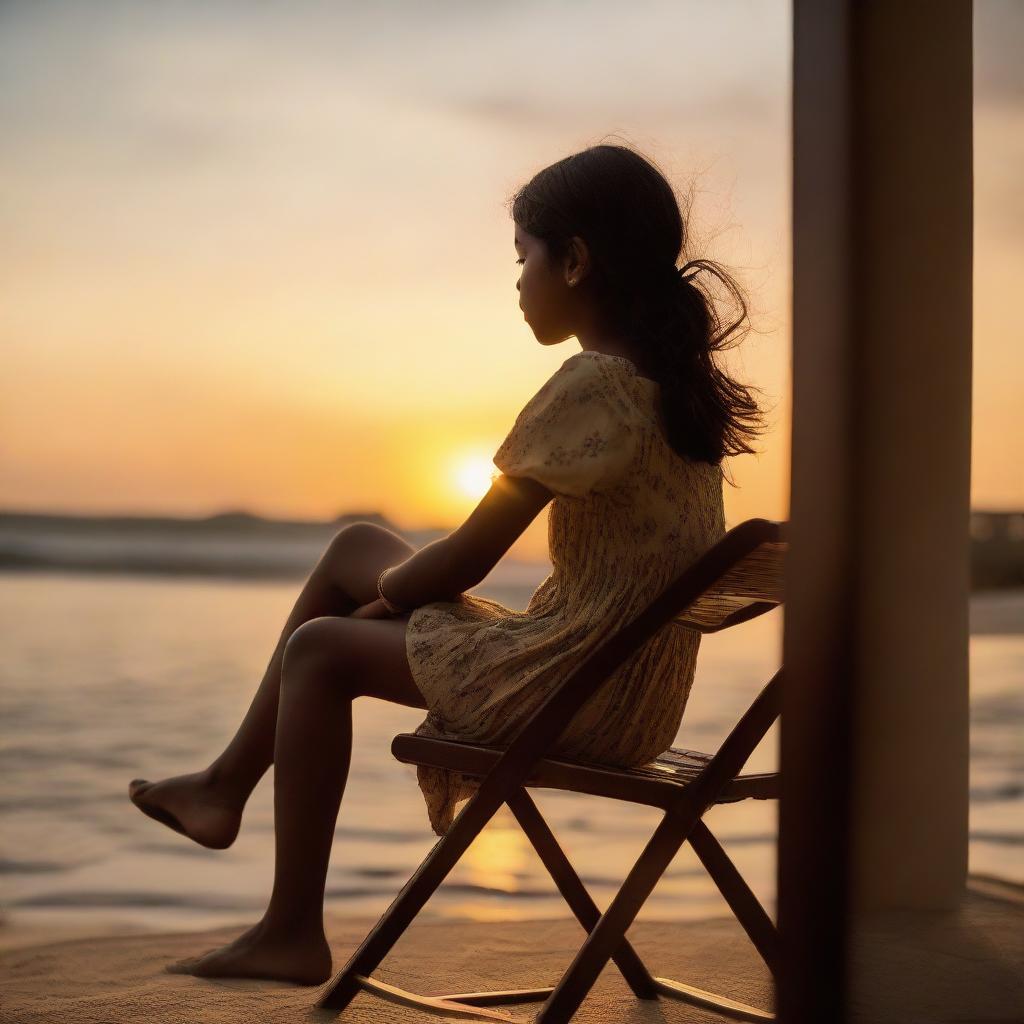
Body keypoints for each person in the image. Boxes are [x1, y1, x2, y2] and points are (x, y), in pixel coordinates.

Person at [127, 142, 768, 985]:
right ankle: (223, 785)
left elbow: (465, 559)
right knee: (359, 544)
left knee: (318, 649)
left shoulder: (595, 385)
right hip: (625, 690)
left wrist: (379, 607)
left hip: (576, 689)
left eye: (523, 258)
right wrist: (390, 591)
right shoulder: (676, 390)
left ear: (573, 260)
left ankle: (289, 928)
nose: (515, 281)